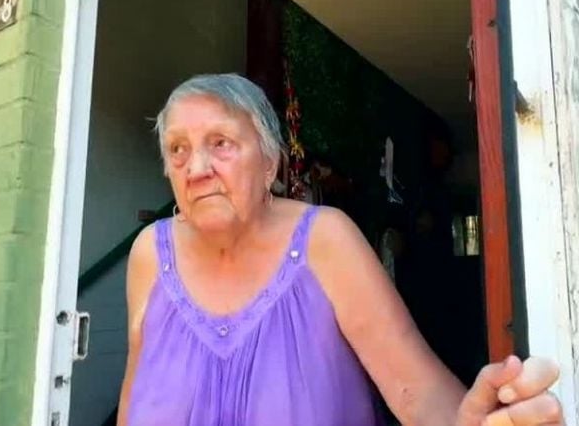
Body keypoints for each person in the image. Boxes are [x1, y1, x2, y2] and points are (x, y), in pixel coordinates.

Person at [118, 74, 562, 426]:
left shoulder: (324, 239)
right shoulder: (150, 254)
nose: (196, 168)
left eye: (220, 143)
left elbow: (417, 393)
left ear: (270, 162)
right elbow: (134, 403)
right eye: (177, 149)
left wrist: (477, 422)